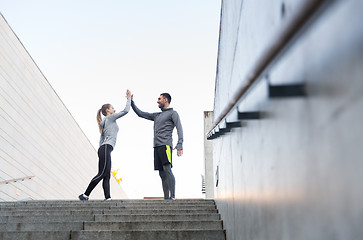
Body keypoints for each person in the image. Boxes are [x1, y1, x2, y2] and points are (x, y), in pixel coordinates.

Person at [78, 89, 132, 201]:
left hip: (104, 148)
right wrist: (129, 99)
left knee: (107, 175)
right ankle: (85, 195)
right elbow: (126, 111)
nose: (114, 109)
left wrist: (101, 150)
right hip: (106, 148)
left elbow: (101, 139)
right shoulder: (110, 118)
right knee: (102, 173)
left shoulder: (104, 121)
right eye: (112, 108)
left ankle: (108, 198)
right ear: (107, 110)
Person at [131, 93, 183, 200]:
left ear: (165, 100)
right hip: (156, 146)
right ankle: (166, 198)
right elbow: (141, 114)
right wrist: (131, 102)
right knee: (161, 173)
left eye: (159, 99)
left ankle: (172, 196)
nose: (157, 101)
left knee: (167, 169)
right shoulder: (157, 115)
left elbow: (179, 128)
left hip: (166, 145)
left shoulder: (173, 113)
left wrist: (180, 144)